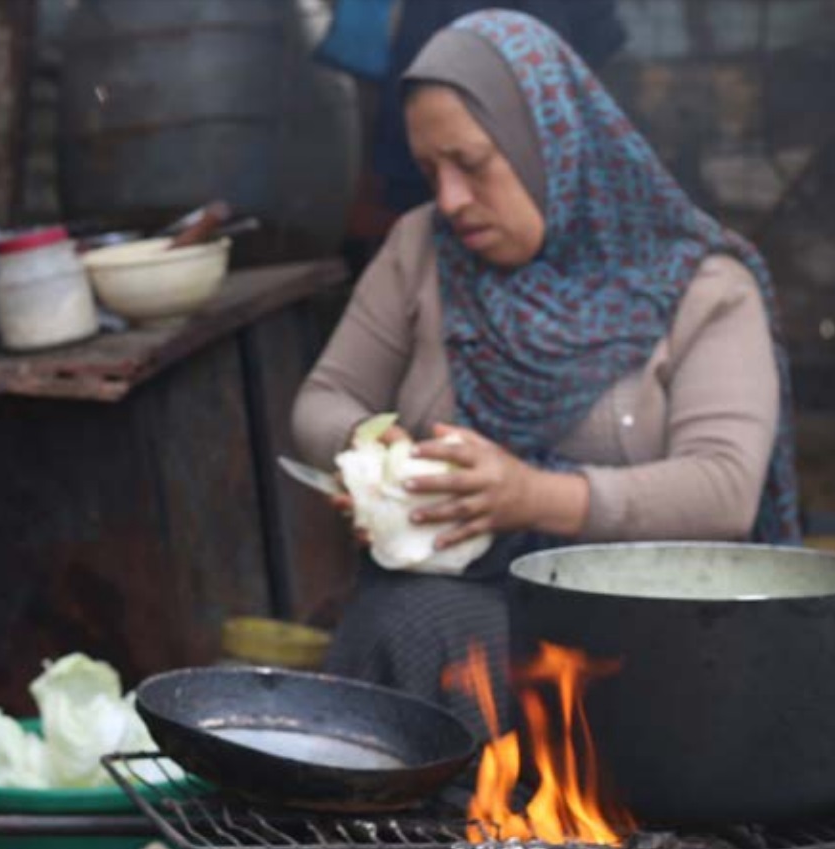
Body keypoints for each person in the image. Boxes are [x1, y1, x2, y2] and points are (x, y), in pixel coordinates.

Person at [290, 9, 801, 735]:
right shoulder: (421, 250)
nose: (451, 199)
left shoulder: (700, 284)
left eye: (471, 163)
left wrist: (531, 496)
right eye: (431, 169)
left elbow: (722, 490)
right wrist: (377, 454)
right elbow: (324, 397)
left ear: (549, 143)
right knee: (405, 618)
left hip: (648, 634)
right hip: (463, 613)